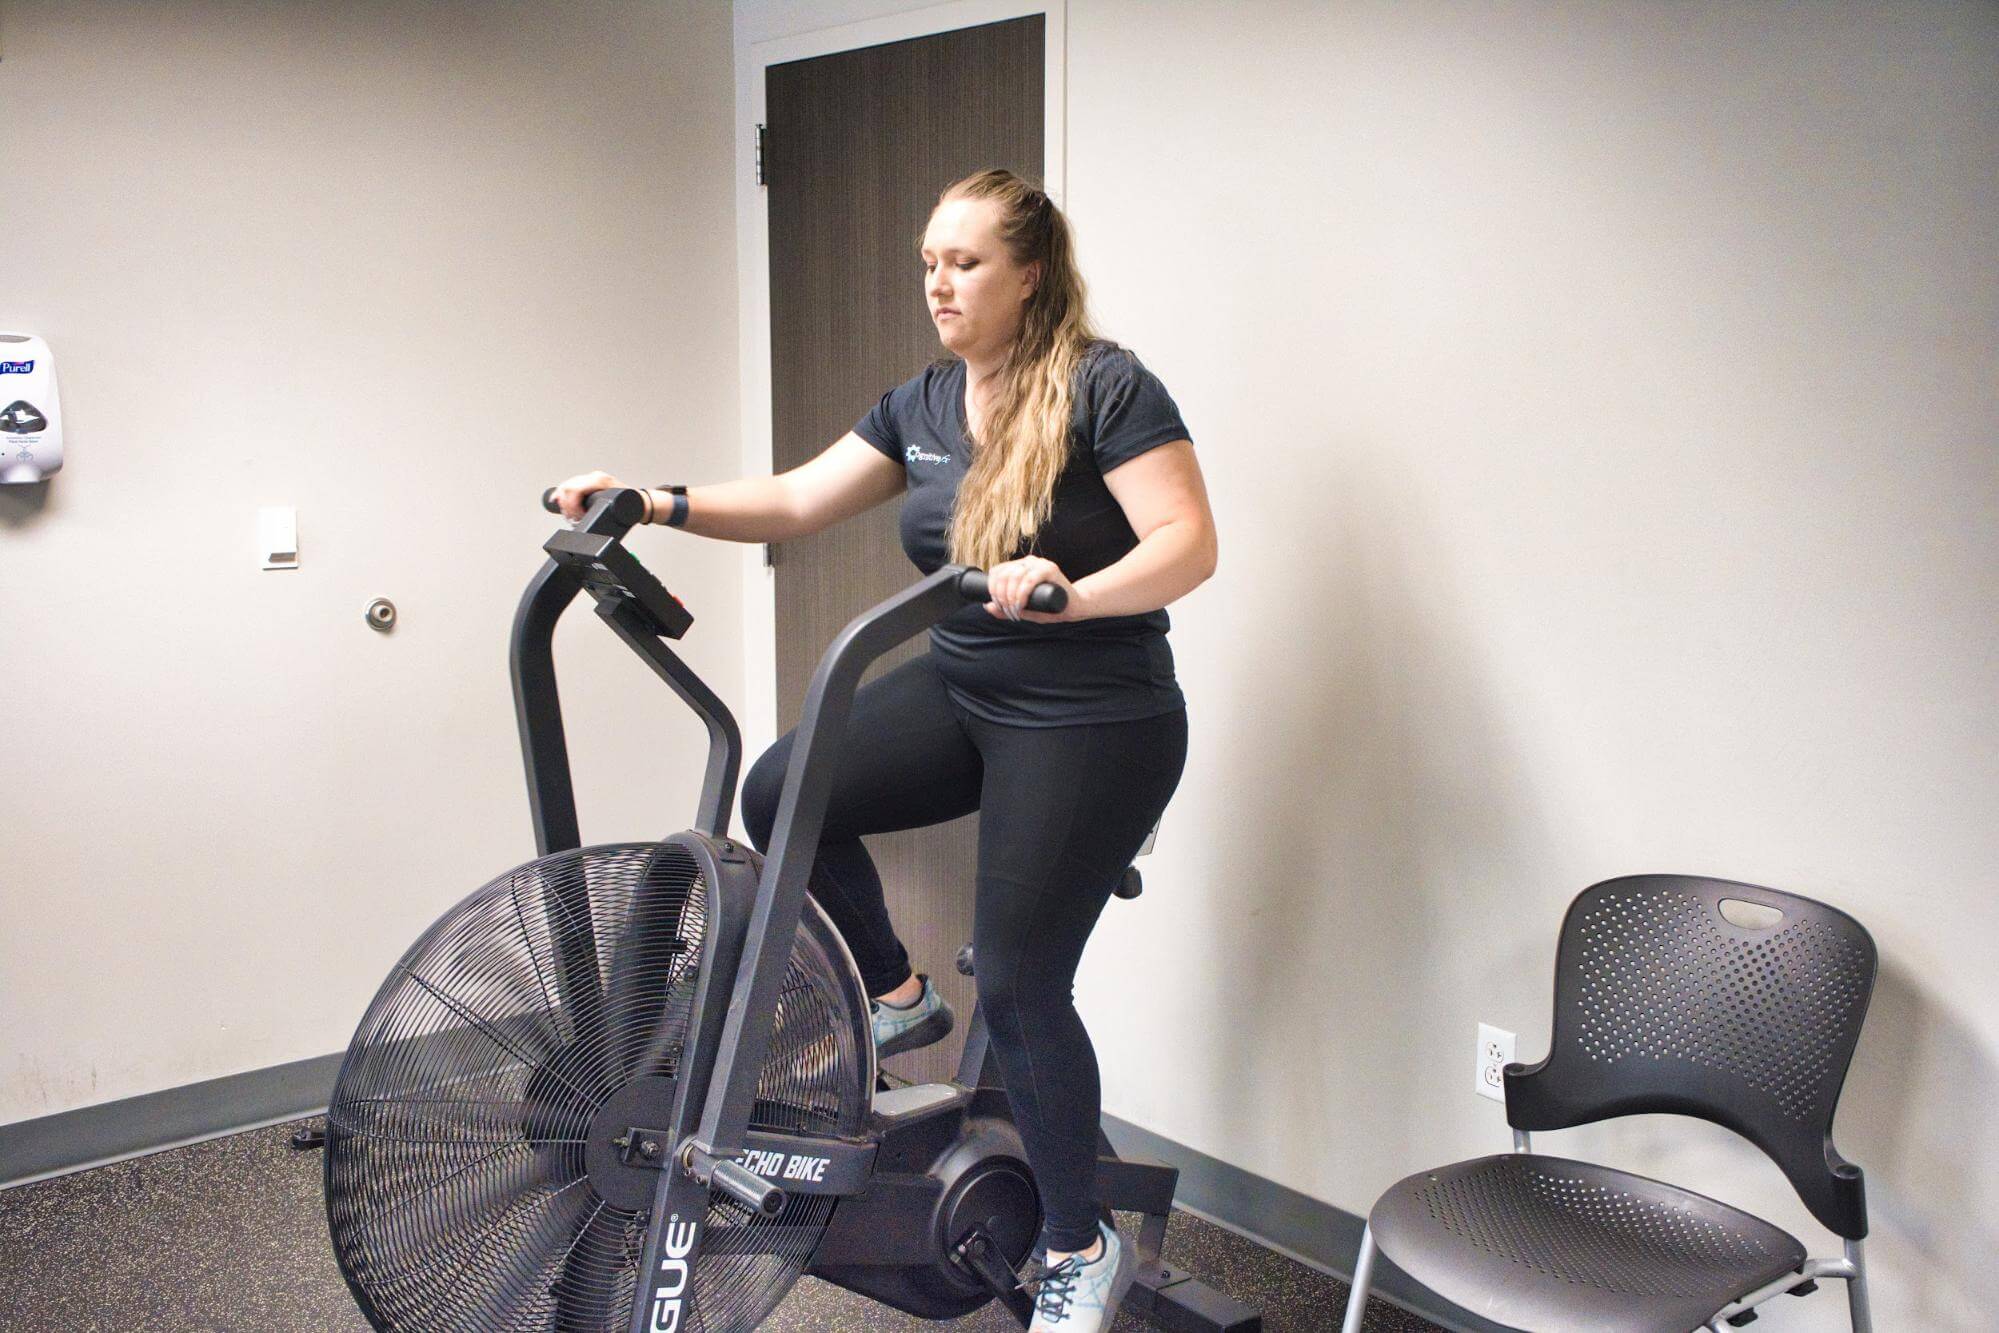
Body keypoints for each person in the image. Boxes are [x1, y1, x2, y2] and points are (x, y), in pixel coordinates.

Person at [551, 167, 1217, 1333]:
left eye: (962, 262)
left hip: (1092, 714)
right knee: (784, 787)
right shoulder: (919, 402)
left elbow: (1187, 543)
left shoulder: (1106, 387)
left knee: (1016, 980)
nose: (937, 284)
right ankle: (899, 996)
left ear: (1029, 275)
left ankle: (1080, 1246)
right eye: (928, 262)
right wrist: (653, 502)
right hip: (964, 680)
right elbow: (800, 499)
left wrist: (1074, 587)